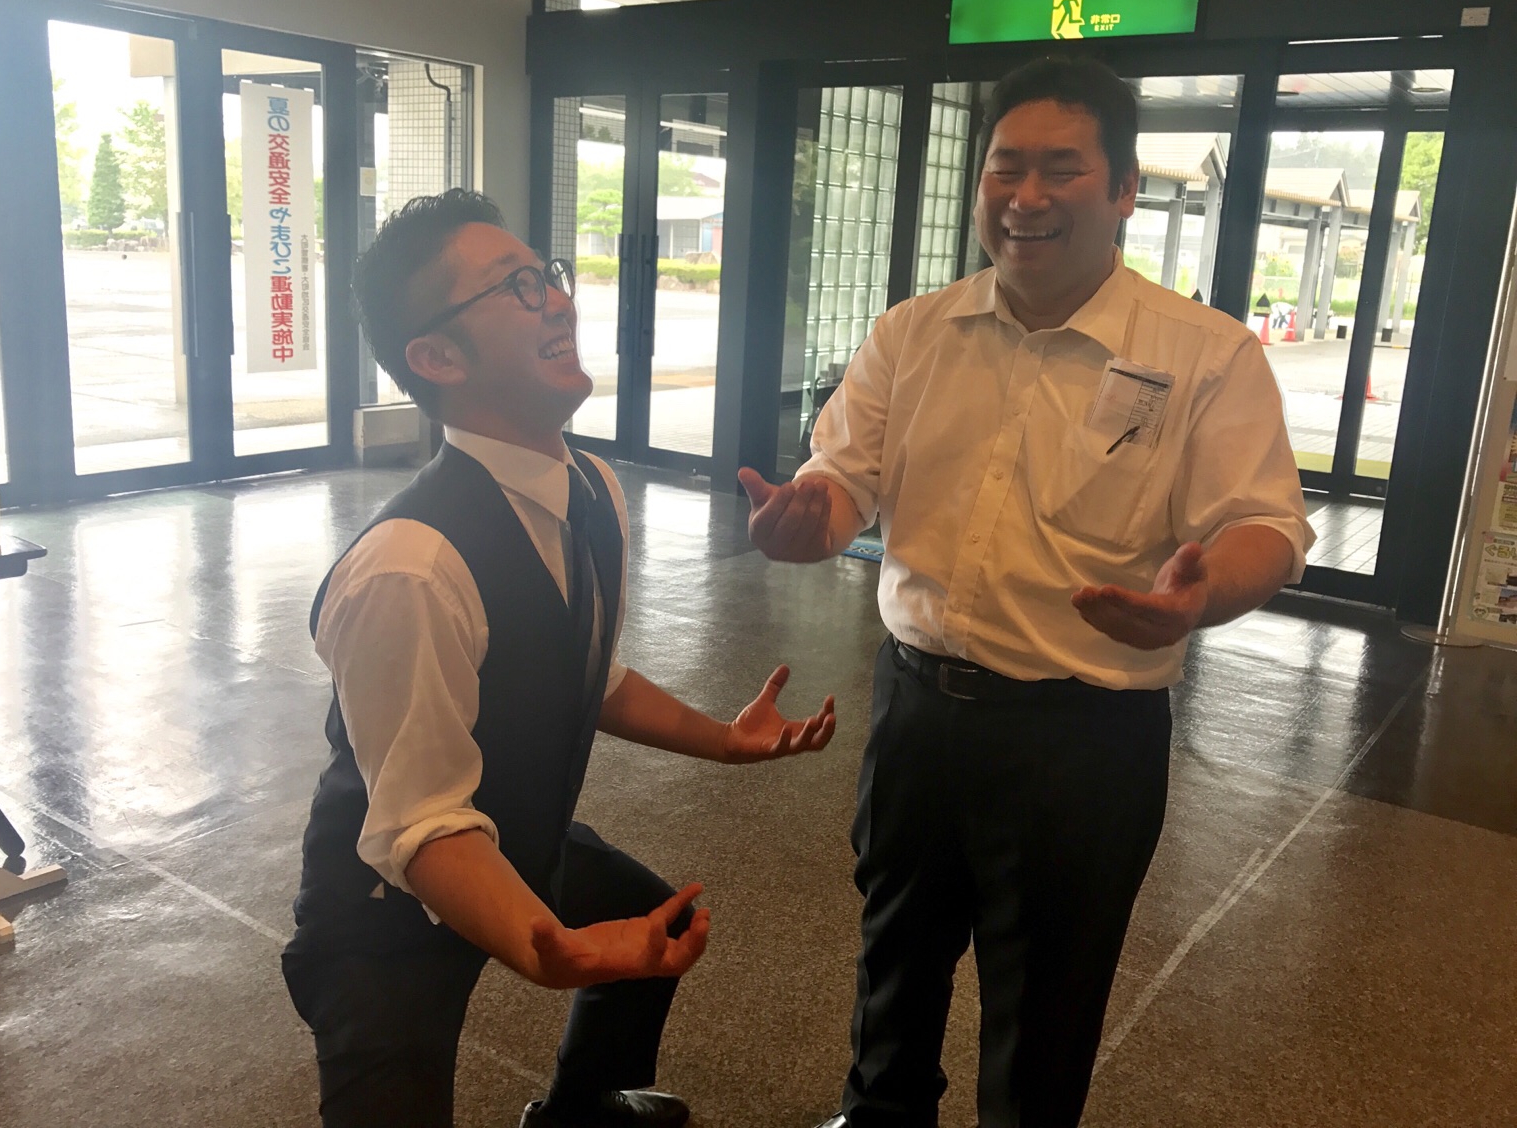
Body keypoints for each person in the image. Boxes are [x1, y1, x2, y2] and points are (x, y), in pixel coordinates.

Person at [740, 57, 1314, 1128]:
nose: (1025, 197)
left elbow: (1265, 528)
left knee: (1048, 998)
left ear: (1124, 188)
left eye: (1061, 169)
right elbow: (842, 480)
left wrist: (1194, 601)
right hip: (918, 711)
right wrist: (808, 522)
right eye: (1004, 168)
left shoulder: (1206, 355)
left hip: (1084, 737)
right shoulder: (913, 333)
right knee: (894, 950)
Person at [282, 190, 837, 1128]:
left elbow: (589, 674)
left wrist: (723, 741)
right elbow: (423, 825)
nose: (560, 302)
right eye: (517, 287)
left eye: (548, 276)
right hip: (384, 910)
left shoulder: (592, 489)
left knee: (654, 922)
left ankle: (582, 1108)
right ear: (437, 357)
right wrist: (549, 950)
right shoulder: (409, 568)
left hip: (518, 836)